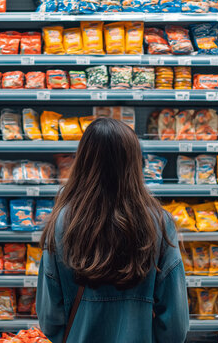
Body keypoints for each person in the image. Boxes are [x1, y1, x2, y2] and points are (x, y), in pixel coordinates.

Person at [37, 117, 189, 343]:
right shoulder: (158, 222)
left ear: (83, 162)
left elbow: (49, 318)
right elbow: (175, 325)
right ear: (134, 163)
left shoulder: (62, 222)